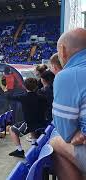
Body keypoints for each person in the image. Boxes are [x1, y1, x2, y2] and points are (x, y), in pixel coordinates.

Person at [49, 28, 86, 179]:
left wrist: (80, 132)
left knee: (54, 143)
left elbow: (67, 133)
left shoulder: (67, 75)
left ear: (62, 51)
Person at [8, 78, 48, 158]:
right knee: (31, 125)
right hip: (42, 122)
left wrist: (5, 90)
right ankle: (34, 143)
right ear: (36, 86)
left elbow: (9, 97)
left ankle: (19, 150)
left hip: (31, 123)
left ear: (24, 86)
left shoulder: (23, 97)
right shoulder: (42, 97)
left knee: (12, 129)